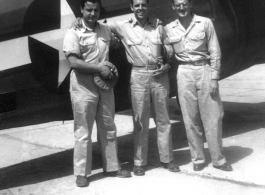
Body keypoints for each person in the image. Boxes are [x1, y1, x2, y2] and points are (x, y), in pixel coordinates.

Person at [73, 0, 181, 176]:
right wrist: (78, 19)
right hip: (138, 76)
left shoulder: (158, 26)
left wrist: (167, 65)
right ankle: (139, 162)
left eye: (143, 5)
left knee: (163, 120)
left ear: (148, 7)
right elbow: (96, 23)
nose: (140, 9)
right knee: (140, 122)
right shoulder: (121, 26)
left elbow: (169, 51)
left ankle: (167, 159)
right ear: (132, 8)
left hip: (160, 76)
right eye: (136, 5)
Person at [63, 0, 131, 188]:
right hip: (83, 87)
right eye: (89, 10)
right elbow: (74, 63)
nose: (93, 14)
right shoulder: (73, 32)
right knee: (83, 131)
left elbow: (118, 41)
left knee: (108, 126)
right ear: (81, 10)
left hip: (105, 86)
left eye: (96, 10)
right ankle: (82, 173)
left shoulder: (105, 30)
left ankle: (111, 167)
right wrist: (99, 68)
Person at [165, 0, 233, 171]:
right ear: (173, 7)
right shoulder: (169, 28)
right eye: (178, 5)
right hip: (184, 72)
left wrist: (214, 77)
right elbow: (168, 53)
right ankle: (198, 159)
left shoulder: (205, 23)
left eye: (184, 4)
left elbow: (215, 50)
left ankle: (218, 159)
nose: (181, 7)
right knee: (190, 119)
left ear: (190, 5)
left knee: (213, 117)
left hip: (204, 69)